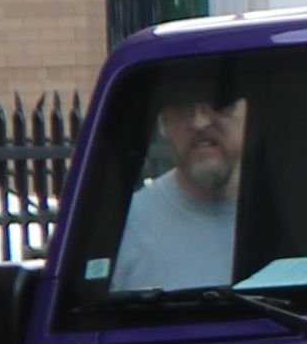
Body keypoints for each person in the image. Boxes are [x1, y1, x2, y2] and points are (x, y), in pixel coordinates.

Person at [105, 66, 248, 291]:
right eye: (182, 107)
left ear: (249, 113)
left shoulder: (294, 216)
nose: (200, 122)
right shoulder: (124, 229)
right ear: (163, 123)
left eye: (220, 103)